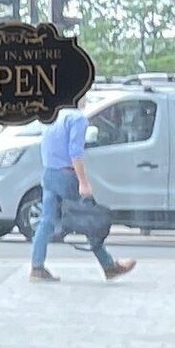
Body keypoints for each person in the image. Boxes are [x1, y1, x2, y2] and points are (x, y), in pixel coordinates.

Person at [26, 100, 132, 283]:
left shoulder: (52, 117)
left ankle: (37, 267)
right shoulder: (77, 119)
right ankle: (108, 266)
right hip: (66, 175)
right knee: (89, 218)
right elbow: (75, 152)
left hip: (49, 173)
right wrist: (83, 182)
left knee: (47, 221)